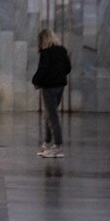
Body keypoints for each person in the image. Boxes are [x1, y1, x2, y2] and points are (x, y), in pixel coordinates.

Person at [31, 28, 72, 158]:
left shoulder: (46, 53)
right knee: (49, 115)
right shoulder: (62, 50)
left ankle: (57, 146)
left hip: (49, 88)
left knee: (52, 116)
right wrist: (58, 76)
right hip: (60, 86)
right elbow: (68, 68)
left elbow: (42, 70)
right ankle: (47, 143)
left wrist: (35, 81)